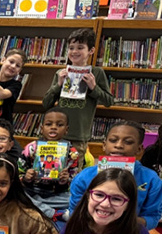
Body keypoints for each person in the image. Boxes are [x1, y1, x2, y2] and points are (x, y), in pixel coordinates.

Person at [69, 121, 162, 234]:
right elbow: (75, 212)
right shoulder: (85, 176)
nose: (119, 145)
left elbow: (153, 216)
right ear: (104, 145)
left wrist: (131, 222)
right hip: (91, 231)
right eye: (113, 140)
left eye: (128, 142)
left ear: (139, 149)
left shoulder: (151, 180)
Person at [42, 28, 113, 164]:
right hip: (56, 134)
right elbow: (46, 104)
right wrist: (58, 85)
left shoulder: (97, 73)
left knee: (74, 170)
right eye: (71, 48)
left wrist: (93, 88)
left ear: (91, 51)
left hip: (79, 135)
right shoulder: (60, 73)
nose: (74, 52)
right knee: (51, 167)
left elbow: (109, 101)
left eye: (80, 48)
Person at [18, 107, 81, 220]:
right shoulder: (31, 148)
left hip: (57, 194)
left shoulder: (72, 153)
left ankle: (38, 207)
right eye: (48, 124)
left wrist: (65, 180)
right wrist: (26, 177)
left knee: (80, 200)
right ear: (42, 128)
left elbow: (73, 178)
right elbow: (19, 172)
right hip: (32, 190)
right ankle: (55, 213)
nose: (53, 127)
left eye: (59, 125)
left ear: (66, 129)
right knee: (16, 193)